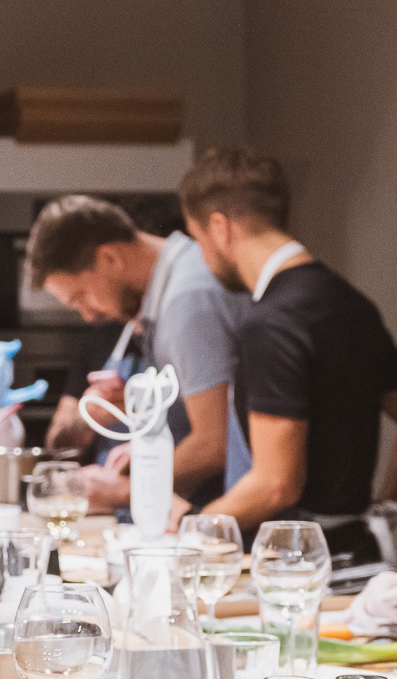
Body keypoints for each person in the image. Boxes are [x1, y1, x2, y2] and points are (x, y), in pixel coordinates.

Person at [182, 146, 397, 562]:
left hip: (297, 571)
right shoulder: (349, 302)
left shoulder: (270, 321)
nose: (203, 256)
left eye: (197, 240)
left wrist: (193, 528)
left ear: (219, 228)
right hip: (358, 557)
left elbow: (276, 484)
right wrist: (380, 515)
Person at [23, 194, 251, 514]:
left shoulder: (187, 300)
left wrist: (127, 489)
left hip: (224, 517)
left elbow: (214, 446)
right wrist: (147, 454)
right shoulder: (174, 284)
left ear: (110, 258)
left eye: (81, 297)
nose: (88, 315)